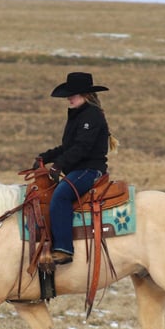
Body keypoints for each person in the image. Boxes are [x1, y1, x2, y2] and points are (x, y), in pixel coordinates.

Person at [34, 72, 119, 265]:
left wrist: (59, 164)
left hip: (89, 170)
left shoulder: (92, 116)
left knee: (62, 195)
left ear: (85, 95)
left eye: (73, 94)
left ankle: (64, 249)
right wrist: (45, 157)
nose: (68, 98)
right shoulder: (78, 114)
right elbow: (68, 147)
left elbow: (82, 147)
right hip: (78, 170)